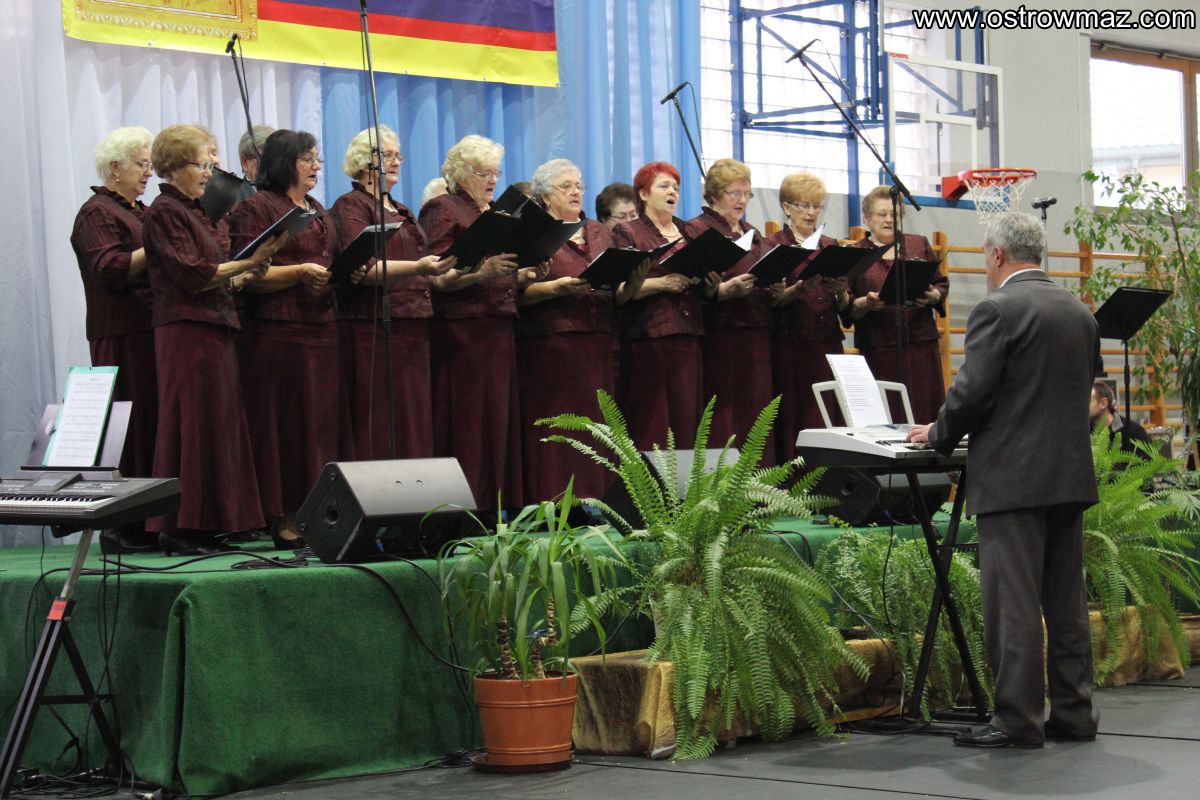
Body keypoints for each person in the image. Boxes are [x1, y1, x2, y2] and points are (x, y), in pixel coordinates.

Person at [907, 212, 1101, 749]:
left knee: (1013, 604)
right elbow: (1079, 385)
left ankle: (1018, 720)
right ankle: (1075, 714)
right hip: (1068, 476)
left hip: (1014, 480)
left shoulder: (998, 309)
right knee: (1066, 604)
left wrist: (938, 434)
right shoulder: (1079, 311)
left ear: (996, 255)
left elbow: (973, 392)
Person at [141, 124, 282, 555]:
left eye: (210, 164)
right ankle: (180, 525)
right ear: (174, 167)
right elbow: (193, 274)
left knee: (216, 424)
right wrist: (250, 262)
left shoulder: (199, 211)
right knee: (191, 424)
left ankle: (212, 522)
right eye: (202, 164)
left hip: (214, 325)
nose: (209, 172)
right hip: (186, 330)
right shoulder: (165, 211)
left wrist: (246, 273)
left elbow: (218, 276)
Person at [229, 129, 337, 549]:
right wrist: (298, 273)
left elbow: (329, 260)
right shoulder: (257, 208)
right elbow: (246, 273)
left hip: (322, 329)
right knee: (284, 428)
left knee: (319, 426)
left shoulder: (317, 209)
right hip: (276, 332)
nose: (315, 166)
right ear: (283, 162)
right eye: (307, 158)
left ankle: (320, 511)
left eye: (316, 158)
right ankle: (283, 514)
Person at [516, 159, 647, 504]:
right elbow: (516, 294)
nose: (576, 192)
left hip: (598, 339)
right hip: (552, 344)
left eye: (579, 186)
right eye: (566, 186)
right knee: (560, 424)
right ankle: (555, 500)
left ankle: (596, 500)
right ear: (545, 196)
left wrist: (633, 283)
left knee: (596, 426)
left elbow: (617, 294)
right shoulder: (533, 231)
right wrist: (556, 288)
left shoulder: (598, 231)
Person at [418, 135, 536, 511]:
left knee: (496, 421)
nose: (493, 180)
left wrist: (524, 272)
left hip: (497, 325)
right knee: (468, 421)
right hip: (463, 330)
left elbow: (497, 270)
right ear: (460, 173)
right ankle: (464, 508)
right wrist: (482, 273)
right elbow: (437, 277)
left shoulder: (495, 213)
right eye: (484, 173)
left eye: (496, 172)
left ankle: (494, 504)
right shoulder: (443, 208)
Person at [330, 126, 452, 461]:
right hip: (374, 328)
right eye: (387, 155)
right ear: (363, 161)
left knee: (413, 416)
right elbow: (364, 268)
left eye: (398, 155)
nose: (396, 161)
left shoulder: (401, 209)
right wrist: (419, 268)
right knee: (381, 418)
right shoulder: (351, 205)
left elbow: (424, 263)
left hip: (414, 325)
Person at [70, 127, 158, 553]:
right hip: (120, 330)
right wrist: (161, 245)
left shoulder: (143, 212)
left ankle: (152, 519)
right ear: (115, 168)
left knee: (151, 423)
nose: (149, 172)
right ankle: (122, 526)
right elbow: (108, 268)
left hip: (152, 327)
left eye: (150, 164)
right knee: (128, 426)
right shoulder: (96, 213)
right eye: (141, 164)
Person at [612, 161, 703, 449]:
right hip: (649, 336)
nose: (672, 192)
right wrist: (662, 284)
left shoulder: (689, 231)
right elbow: (620, 291)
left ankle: (686, 478)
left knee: (686, 419)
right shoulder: (628, 232)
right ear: (643, 194)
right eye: (664, 186)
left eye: (675, 187)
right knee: (653, 423)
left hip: (689, 331)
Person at [687, 158, 772, 456]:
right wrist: (723, 291)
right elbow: (692, 286)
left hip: (756, 331)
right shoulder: (697, 228)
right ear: (714, 194)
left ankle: (760, 480)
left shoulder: (752, 231)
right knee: (723, 414)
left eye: (746, 194)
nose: (742, 200)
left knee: (756, 414)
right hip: (719, 333)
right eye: (734, 193)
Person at [766, 171, 848, 462]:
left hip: (827, 341)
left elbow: (845, 306)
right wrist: (799, 289)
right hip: (790, 343)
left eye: (816, 206)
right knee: (794, 413)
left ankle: (827, 477)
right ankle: (793, 477)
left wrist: (841, 292)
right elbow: (769, 302)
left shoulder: (831, 245)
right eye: (804, 205)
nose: (811, 212)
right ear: (786, 207)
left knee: (828, 413)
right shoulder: (773, 244)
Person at [851, 185, 948, 423]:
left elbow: (941, 284)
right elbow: (847, 304)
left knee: (923, 409)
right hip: (878, 346)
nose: (888, 219)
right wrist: (865, 303)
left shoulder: (918, 244)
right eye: (881, 214)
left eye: (894, 214)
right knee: (886, 412)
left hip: (919, 343)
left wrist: (932, 296)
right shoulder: (856, 253)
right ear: (867, 217)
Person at [1090, 380, 1155, 457]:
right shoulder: (1082, 432)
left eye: (1087, 401)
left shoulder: (1134, 432)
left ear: (1103, 403)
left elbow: (1149, 462)